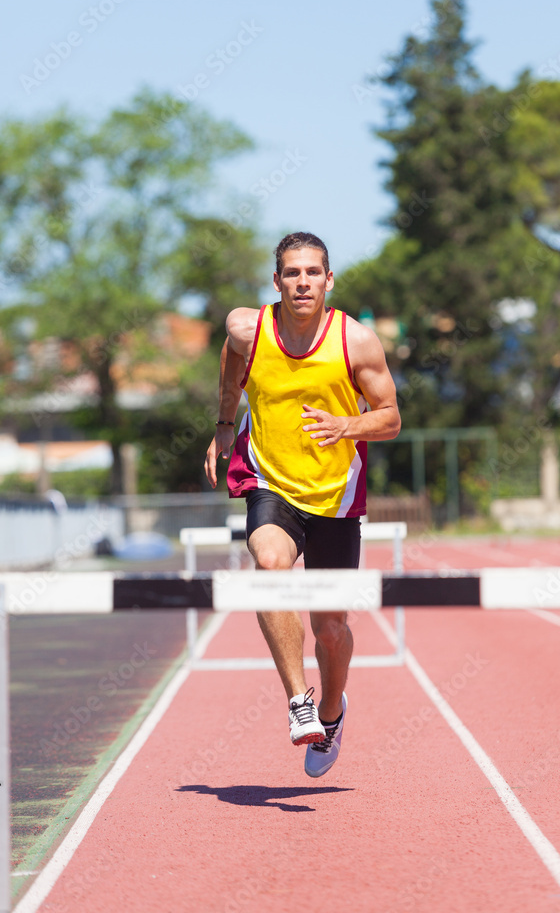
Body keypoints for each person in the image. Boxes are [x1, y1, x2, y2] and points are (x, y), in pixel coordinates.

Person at [204, 232, 400, 777]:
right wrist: (224, 426)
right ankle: (299, 701)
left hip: (335, 498)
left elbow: (390, 417)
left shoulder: (356, 342)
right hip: (271, 481)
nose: (303, 282)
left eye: (313, 272)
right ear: (277, 282)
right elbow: (230, 365)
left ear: (329, 280)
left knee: (330, 629)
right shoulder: (250, 329)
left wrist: (347, 424)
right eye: (292, 273)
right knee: (268, 566)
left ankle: (333, 712)